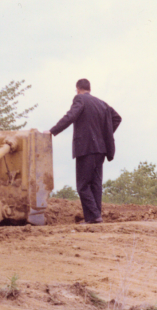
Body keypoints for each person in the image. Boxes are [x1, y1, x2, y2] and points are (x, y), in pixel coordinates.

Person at [44, 79, 121, 224]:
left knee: (83, 185)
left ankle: (94, 216)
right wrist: (105, 136)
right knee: (96, 184)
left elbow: (71, 116)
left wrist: (52, 131)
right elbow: (116, 118)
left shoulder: (79, 99)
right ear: (89, 89)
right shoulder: (102, 103)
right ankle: (94, 218)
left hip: (86, 149)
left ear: (78, 89)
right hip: (101, 150)